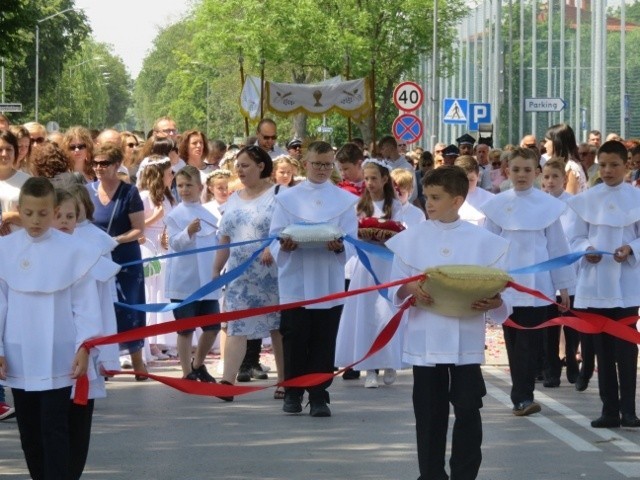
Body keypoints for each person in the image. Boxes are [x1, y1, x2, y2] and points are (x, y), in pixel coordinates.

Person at [386, 166, 511, 480]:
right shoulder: (410, 239)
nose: (428, 203)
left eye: (436, 198)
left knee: (469, 409)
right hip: (425, 337)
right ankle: (430, 474)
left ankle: (464, 474)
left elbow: (500, 288)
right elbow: (394, 285)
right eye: (426, 196)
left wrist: (494, 301)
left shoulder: (484, 240)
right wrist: (410, 288)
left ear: (457, 200)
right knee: (429, 413)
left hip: (466, 338)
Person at [0, 177, 105, 479]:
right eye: (29, 213)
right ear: (19, 209)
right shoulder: (5, 250)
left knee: (54, 427)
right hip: (20, 352)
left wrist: (84, 346)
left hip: (60, 352)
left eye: (43, 213)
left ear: (54, 210)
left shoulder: (74, 250)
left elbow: (84, 305)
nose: (35, 220)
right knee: (29, 431)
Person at [481, 147, 575, 416]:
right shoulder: (497, 205)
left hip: (538, 285)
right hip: (507, 286)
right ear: (507, 171)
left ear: (537, 173)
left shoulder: (548, 207)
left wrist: (564, 287)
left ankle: (523, 395)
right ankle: (521, 397)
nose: (521, 175)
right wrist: (487, 283)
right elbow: (488, 246)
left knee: (530, 343)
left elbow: (558, 248)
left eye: (527, 170)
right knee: (514, 342)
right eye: (516, 169)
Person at [270, 140, 358, 417]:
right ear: (305, 163)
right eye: (316, 163)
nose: (321, 169)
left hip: (328, 276)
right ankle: (293, 392)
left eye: (326, 164)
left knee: (323, 337)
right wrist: (283, 246)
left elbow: (352, 237)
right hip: (295, 276)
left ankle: (319, 394)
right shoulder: (286, 198)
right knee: (295, 336)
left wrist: (341, 247)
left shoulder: (344, 200)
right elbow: (275, 233)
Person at [567, 140, 640, 428]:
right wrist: (587, 249)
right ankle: (609, 409)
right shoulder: (587, 199)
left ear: (628, 165)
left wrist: (631, 249)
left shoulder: (636, 199)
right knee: (602, 350)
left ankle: (629, 410)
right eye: (604, 164)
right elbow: (575, 237)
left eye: (615, 165)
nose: (608, 170)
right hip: (595, 284)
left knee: (626, 349)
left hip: (625, 285)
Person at [53, 187, 120, 480]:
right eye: (57, 216)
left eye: (71, 215)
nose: (65, 221)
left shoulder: (91, 256)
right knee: (46, 428)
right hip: (43, 357)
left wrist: (105, 355)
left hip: (81, 355)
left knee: (77, 425)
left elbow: (104, 309)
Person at [213, 146, 284, 398]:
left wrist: (272, 246)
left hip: (270, 274)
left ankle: (284, 383)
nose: (239, 170)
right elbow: (225, 237)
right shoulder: (233, 198)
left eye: (245, 165)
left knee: (277, 327)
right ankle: (227, 383)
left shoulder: (279, 194)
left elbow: (288, 230)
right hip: (239, 275)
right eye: (238, 166)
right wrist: (216, 270)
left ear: (261, 166)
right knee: (236, 325)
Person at [335, 158, 409, 389]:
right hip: (366, 266)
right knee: (366, 314)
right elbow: (350, 234)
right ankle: (369, 367)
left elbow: (404, 235)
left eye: (374, 178)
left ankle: (389, 361)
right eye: (366, 178)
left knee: (387, 312)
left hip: (389, 265)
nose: (369, 183)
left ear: (385, 179)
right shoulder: (359, 206)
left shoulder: (396, 207)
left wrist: (388, 237)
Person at [86, 143, 148, 378]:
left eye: (104, 163)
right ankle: (104, 362)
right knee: (100, 307)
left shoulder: (129, 192)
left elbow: (138, 229)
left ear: (116, 165)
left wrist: (115, 240)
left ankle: (137, 361)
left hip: (124, 256)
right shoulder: (87, 191)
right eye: (95, 163)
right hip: (95, 258)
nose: (99, 168)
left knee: (129, 306)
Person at [164, 165, 221, 384]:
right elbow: (174, 244)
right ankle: (187, 371)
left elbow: (216, 246)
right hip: (183, 280)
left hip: (207, 281)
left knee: (213, 327)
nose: (185, 190)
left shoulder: (210, 215)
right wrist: (188, 231)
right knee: (185, 328)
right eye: (180, 186)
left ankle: (198, 364)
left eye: (189, 185)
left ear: (200, 187)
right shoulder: (175, 215)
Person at [539, 159, 580, 387]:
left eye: (555, 176)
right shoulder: (540, 205)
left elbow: (573, 239)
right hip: (546, 273)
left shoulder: (573, 205)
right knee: (550, 325)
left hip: (569, 271)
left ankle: (573, 366)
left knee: (571, 323)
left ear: (564, 179)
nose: (550, 181)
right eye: (546, 177)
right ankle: (551, 369)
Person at [137, 156, 176, 360]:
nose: (173, 176)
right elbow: (137, 225)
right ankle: (148, 342)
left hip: (163, 246)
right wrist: (156, 217)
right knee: (150, 291)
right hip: (148, 246)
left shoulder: (168, 197)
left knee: (161, 292)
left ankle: (158, 340)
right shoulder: (144, 196)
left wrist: (168, 233)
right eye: (169, 172)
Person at [0, 129, 30, 235]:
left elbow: (38, 216)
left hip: (20, 245)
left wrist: (8, 216)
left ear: (15, 152)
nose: (4, 154)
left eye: (9, 149)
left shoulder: (28, 182)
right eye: (0, 149)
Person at [544, 123, 587, 194]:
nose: (545, 145)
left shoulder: (571, 168)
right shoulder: (557, 164)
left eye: (547, 141)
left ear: (557, 142)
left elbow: (569, 200)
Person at [454, 155, 493, 226]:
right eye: (462, 180)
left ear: (478, 176)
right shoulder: (447, 198)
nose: (466, 184)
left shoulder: (490, 199)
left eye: (471, 180)